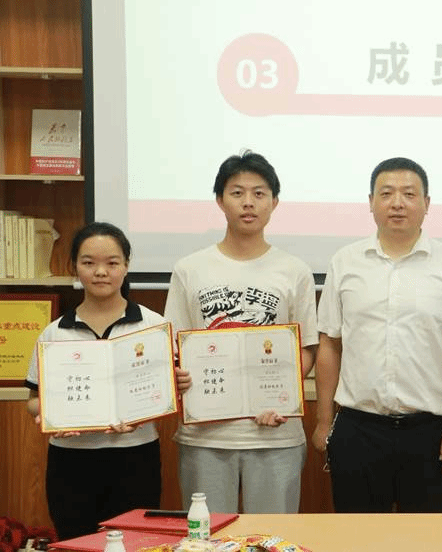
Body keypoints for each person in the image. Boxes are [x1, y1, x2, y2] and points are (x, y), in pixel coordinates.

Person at [312, 157, 442, 513]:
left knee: (430, 538)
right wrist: (324, 421)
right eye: (387, 193)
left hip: (433, 432)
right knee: (357, 537)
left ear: (427, 203)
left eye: (409, 194)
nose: (397, 203)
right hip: (358, 429)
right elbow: (330, 344)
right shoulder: (345, 262)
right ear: (371, 202)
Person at [164, 150, 318, 514]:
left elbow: (307, 348)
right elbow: (174, 347)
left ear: (274, 202)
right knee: (206, 536)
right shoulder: (190, 269)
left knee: (273, 537)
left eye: (259, 193)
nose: (248, 202)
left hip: (275, 435)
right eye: (237, 193)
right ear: (220, 200)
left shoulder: (294, 270)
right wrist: (178, 374)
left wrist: (282, 396)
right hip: (205, 434)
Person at [24, 222, 170, 539]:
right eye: (88, 262)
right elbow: (33, 400)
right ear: (74, 267)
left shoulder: (153, 326)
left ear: (126, 266)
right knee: (76, 540)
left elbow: (167, 394)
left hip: (135, 456)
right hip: (70, 461)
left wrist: (168, 392)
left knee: (134, 542)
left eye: (112, 263)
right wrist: (47, 415)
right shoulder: (55, 332)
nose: (100, 272)